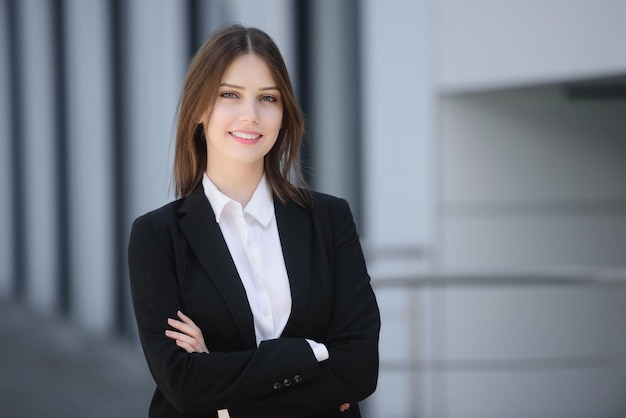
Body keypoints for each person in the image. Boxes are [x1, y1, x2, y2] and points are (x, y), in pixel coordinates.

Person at [128, 23, 380, 418]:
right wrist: (309, 355)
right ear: (198, 108)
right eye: (229, 94)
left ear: (283, 115)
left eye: (268, 98)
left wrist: (220, 380)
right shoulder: (158, 237)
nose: (250, 115)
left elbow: (359, 369)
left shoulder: (329, 219)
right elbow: (183, 385)